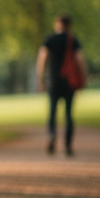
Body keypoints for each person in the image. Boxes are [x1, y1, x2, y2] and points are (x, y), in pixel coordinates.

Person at [35, 15, 87, 156]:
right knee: (69, 114)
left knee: (52, 112)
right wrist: (83, 78)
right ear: (69, 25)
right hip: (69, 82)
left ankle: (51, 136)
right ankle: (68, 144)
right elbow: (80, 59)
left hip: (53, 81)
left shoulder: (50, 39)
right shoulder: (72, 40)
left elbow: (42, 58)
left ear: (57, 24)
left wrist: (41, 79)